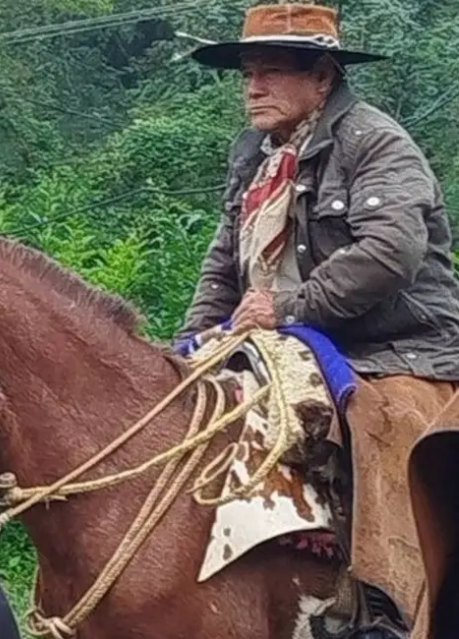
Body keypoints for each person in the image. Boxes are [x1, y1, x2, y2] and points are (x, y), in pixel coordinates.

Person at [175, 3, 459, 637]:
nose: (253, 88)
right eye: (248, 72)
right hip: (273, 340)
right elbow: (226, 258)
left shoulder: (376, 142)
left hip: (395, 348)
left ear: (322, 77)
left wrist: (287, 307)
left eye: (272, 71)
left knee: (380, 420)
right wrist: (188, 346)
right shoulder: (254, 152)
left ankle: (390, 605)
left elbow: (392, 251)